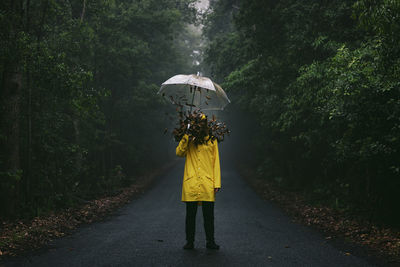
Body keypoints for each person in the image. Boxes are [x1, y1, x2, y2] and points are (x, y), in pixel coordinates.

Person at [176, 113, 221, 250]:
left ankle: (210, 241)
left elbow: (216, 162)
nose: (200, 125)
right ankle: (190, 242)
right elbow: (179, 153)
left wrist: (217, 183)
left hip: (207, 183)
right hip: (192, 183)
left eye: (203, 123)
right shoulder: (189, 139)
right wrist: (186, 137)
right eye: (198, 123)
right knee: (190, 215)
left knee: (209, 216)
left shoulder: (212, 140)